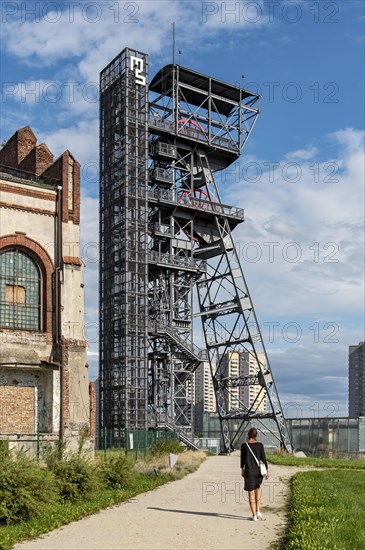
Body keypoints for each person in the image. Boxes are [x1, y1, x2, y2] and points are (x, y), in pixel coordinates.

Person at [240, 427, 269, 521]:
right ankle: (258, 511)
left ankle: (254, 516)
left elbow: (242, 459)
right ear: (256, 435)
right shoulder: (260, 445)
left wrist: (242, 469)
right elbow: (263, 459)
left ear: (248, 434)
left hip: (249, 471)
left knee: (251, 494)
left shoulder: (244, 445)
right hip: (258, 471)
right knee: (258, 492)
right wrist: (267, 470)